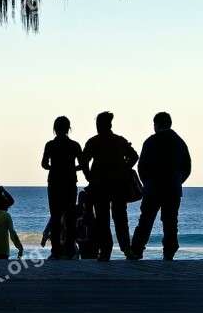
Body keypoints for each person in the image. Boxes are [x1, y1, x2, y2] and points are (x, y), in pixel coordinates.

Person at [130, 112, 192, 261]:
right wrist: (178, 181)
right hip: (173, 189)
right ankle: (169, 252)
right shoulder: (179, 142)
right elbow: (187, 166)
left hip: (153, 188)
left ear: (156, 124)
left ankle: (137, 250)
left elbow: (142, 165)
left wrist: (147, 182)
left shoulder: (151, 141)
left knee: (145, 220)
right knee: (171, 221)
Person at [82, 111, 138, 261]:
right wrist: (125, 168)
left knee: (102, 220)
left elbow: (83, 162)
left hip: (99, 186)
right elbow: (134, 156)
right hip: (119, 185)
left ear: (99, 126)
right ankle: (126, 248)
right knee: (120, 218)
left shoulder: (93, 142)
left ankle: (106, 251)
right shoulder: (119, 141)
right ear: (110, 125)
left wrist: (89, 177)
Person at [41, 115, 84, 259]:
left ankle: (55, 251)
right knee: (70, 217)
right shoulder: (74, 145)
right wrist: (71, 168)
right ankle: (70, 250)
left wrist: (55, 167)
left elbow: (44, 164)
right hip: (70, 182)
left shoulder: (50, 145)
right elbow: (83, 164)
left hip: (54, 182)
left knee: (55, 217)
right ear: (68, 128)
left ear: (55, 128)